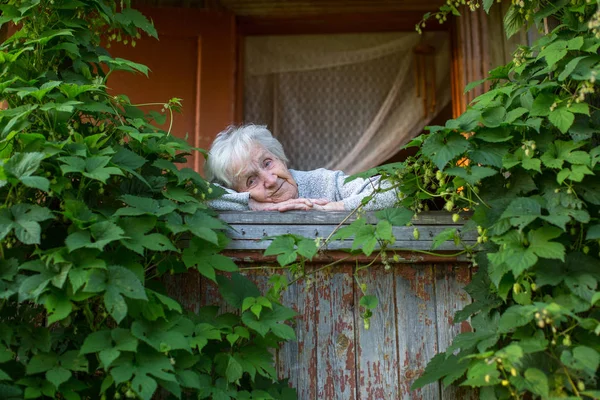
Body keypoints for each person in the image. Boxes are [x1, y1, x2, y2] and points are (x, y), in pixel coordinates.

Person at [204, 124, 399, 212]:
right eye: (251, 180)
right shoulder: (237, 201)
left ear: (280, 157)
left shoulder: (324, 183)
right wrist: (252, 205)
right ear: (235, 191)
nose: (271, 180)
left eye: (268, 163)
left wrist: (334, 208)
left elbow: (396, 190)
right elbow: (197, 199)